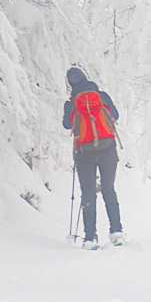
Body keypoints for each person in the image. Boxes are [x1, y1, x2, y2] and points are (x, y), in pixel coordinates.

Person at [64, 67, 125, 248]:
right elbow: (115, 115)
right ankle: (116, 232)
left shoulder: (71, 103)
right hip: (108, 149)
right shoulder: (102, 96)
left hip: (84, 153)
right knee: (108, 189)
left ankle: (90, 238)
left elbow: (67, 125)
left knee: (88, 194)